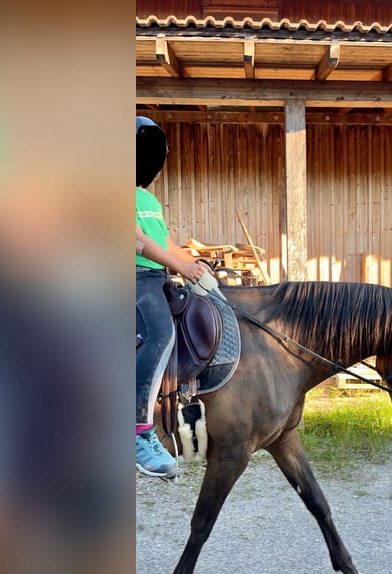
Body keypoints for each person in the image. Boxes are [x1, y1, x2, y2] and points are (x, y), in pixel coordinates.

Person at [135, 116, 210, 477]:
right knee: (160, 333)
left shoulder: (148, 199)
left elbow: (164, 242)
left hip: (155, 274)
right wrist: (179, 267)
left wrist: (192, 263)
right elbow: (137, 242)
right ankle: (137, 429)